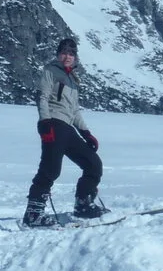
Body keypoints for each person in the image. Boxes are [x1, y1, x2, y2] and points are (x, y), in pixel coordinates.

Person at [22, 37, 105, 228]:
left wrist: (86, 133)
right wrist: (45, 123)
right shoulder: (51, 71)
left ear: (75, 57)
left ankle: (83, 205)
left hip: (67, 127)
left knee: (93, 164)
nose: (67, 56)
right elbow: (42, 97)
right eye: (64, 52)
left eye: (71, 53)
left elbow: (74, 110)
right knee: (50, 169)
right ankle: (33, 214)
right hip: (53, 124)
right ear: (58, 54)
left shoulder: (73, 80)